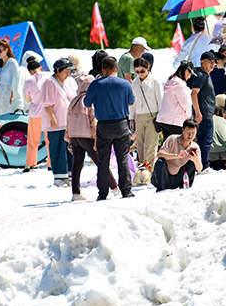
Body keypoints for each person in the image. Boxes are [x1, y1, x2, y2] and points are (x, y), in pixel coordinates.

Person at [83, 57, 135, 200]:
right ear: (116, 69)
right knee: (122, 159)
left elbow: (86, 103)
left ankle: (103, 193)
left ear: (103, 69)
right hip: (121, 125)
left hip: (104, 126)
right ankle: (126, 191)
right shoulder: (125, 84)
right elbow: (131, 102)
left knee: (103, 161)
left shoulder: (95, 84)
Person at [66, 73, 120, 200]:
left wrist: (68, 138)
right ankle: (115, 187)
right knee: (101, 162)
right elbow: (94, 122)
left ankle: (76, 193)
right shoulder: (90, 100)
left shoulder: (74, 101)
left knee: (76, 165)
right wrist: (96, 139)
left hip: (74, 136)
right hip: (87, 136)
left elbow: (68, 121)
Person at [39, 58, 78, 187]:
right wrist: (52, 118)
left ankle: (70, 174)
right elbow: (47, 103)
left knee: (70, 149)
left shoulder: (69, 82)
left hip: (69, 122)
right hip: (57, 122)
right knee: (58, 148)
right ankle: (60, 177)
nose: (67, 74)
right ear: (58, 70)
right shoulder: (49, 83)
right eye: (65, 71)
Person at [151, 120, 202, 191]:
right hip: (165, 176)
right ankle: (160, 189)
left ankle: (185, 189)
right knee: (160, 161)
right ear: (183, 130)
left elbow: (199, 169)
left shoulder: (195, 146)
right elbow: (159, 154)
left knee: (192, 162)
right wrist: (177, 155)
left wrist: (196, 160)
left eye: (193, 133)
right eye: (187, 132)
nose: (190, 135)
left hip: (178, 179)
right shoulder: (173, 139)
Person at [132, 56, 163, 170]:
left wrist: (160, 118)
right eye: (137, 71)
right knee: (140, 145)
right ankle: (141, 169)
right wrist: (131, 119)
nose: (140, 74)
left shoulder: (154, 81)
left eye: (142, 71)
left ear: (148, 68)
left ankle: (149, 171)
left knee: (150, 145)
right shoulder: (134, 83)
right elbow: (132, 103)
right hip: (138, 116)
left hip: (152, 116)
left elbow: (160, 100)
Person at [190, 51, 218, 170]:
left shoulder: (206, 75)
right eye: (210, 62)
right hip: (203, 114)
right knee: (205, 141)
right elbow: (194, 93)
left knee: (205, 141)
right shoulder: (201, 75)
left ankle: (202, 165)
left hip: (207, 113)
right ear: (202, 62)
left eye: (214, 62)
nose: (213, 64)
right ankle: (204, 166)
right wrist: (198, 112)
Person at [21, 59, 49, 172]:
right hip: (48, 112)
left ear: (29, 70)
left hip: (35, 112)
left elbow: (27, 99)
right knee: (49, 139)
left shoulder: (29, 80)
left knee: (33, 139)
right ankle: (51, 163)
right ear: (40, 67)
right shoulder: (48, 77)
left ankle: (30, 163)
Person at [156, 61, 195, 137]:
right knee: (178, 143)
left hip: (164, 119)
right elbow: (186, 104)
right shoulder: (180, 85)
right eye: (190, 73)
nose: (190, 76)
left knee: (167, 143)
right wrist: (189, 118)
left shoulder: (170, 81)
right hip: (176, 121)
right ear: (186, 71)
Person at [0, 39, 24, 115]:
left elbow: (16, 80)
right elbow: (3, 79)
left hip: (8, 93)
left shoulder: (12, 62)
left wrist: (13, 95)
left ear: (6, 50)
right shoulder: (0, 63)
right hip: (0, 93)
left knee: (7, 115)